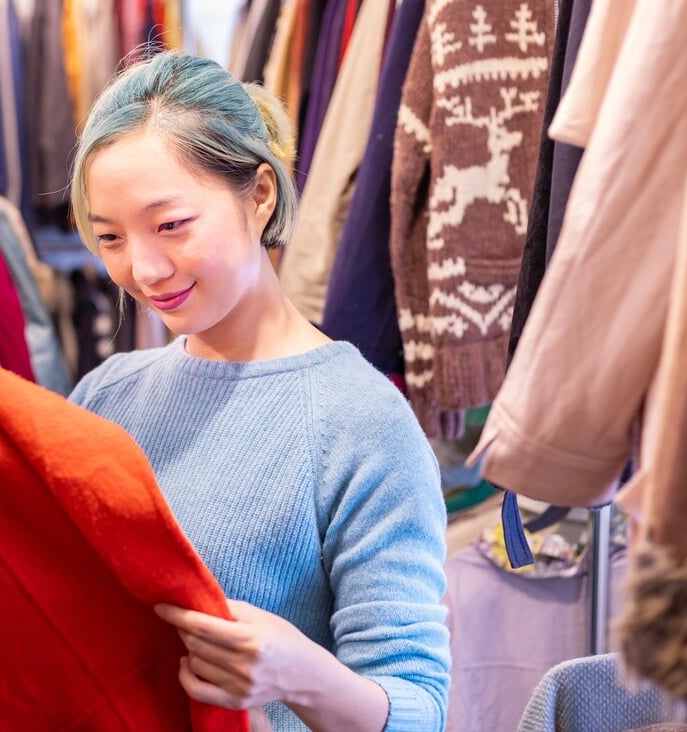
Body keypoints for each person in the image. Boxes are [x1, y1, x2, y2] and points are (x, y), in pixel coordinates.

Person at [67, 51, 451, 732]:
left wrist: (301, 674)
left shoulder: (362, 423)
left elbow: (419, 709)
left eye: (171, 225)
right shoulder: (103, 397)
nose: (144, 268)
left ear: (261, 194)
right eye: (110, 238)